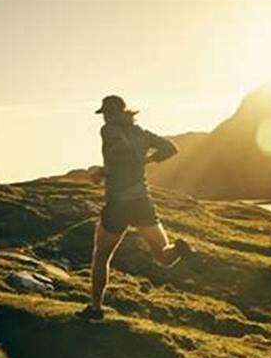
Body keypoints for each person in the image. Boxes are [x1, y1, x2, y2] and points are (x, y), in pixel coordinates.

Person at [76, 95, 194, 320]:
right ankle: (179, 249)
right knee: (163, 256)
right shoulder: (142, 133)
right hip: (142, 202)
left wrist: (104, 172)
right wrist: (145, 161)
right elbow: (171, 148)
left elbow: (122, 152)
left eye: (107, 113)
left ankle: (95, 309)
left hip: (118, 204)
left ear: (113, 113)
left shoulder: (108, 130)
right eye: (105, 114)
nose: (105, 118)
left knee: (101, 256)